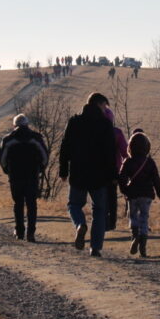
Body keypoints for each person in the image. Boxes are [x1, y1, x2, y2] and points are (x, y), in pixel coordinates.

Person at [59, 93, 116, 257]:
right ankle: (95, 248)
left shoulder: (74, 122)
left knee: (74, 205)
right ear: (99, 104)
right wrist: (112, 175)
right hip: (100, 176)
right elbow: (110, 153)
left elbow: (65, 147)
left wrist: (63, 170)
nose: (106, 109)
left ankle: (79, 224)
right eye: (105, 106)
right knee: (99, 209)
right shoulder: (105, 124)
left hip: (78, 172)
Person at [0, 114, 48, 242]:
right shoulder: (36, 137)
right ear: (27, 124)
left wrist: (7, 170)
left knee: (18, 203)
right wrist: (40, 169)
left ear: (14, 125)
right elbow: (45, 156)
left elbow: (3, 159)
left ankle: (20, 231)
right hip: (32, 175)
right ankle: (31, 233)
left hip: (15, 175)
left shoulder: (8, 139)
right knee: (32, 204)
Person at [118, 132, 160, 258]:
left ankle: (134, 236)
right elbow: (156, 179)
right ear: (147, 147)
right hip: (147, 195)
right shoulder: (150, 162)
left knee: (132, 216)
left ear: (130, 147)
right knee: (144, 218)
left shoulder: (128, 162)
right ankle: (143, 247)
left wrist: (125, 191)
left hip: (132, 194)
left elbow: (121, 178)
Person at [103, 107, 128, 232]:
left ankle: (101, 220)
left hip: (97, 170)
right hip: (113, 170)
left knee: (99, 196)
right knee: (112, 197)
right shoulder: (117, 133)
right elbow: (125, 152)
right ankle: (111, 222)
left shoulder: (95, 132)